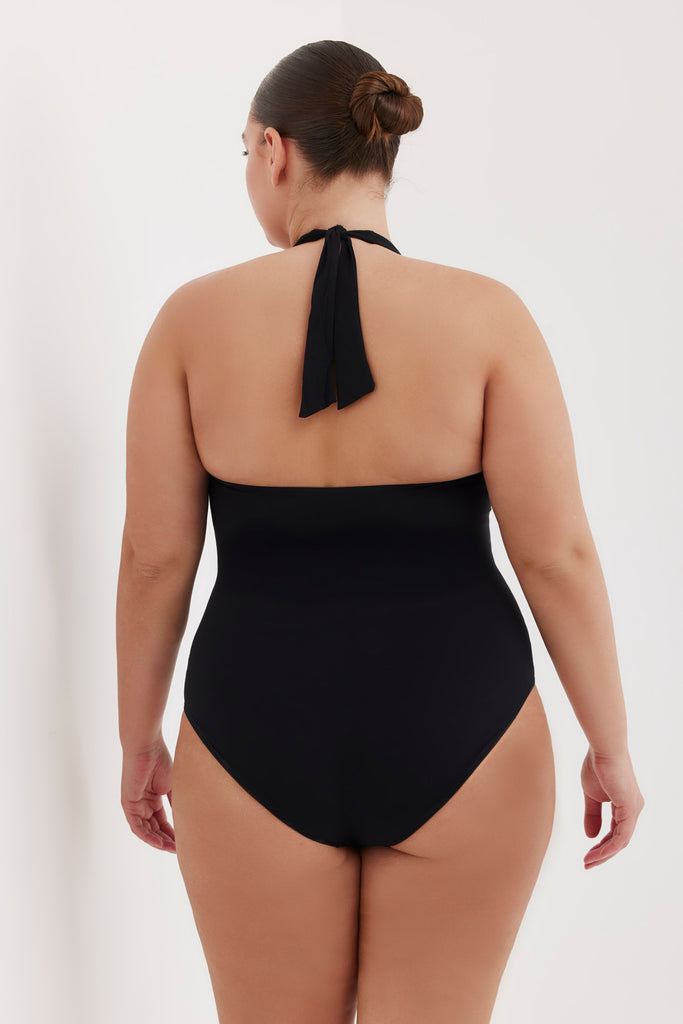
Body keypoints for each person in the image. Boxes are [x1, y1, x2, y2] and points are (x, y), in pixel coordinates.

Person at [116, 38, 645, 1024]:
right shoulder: (488, 318)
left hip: (250, 730)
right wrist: (607, 742)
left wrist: (137, 737)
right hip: (468, 733)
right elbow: (556, 554)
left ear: (273, 150)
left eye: (242, 152)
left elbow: (154, 560)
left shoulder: (190, 324)